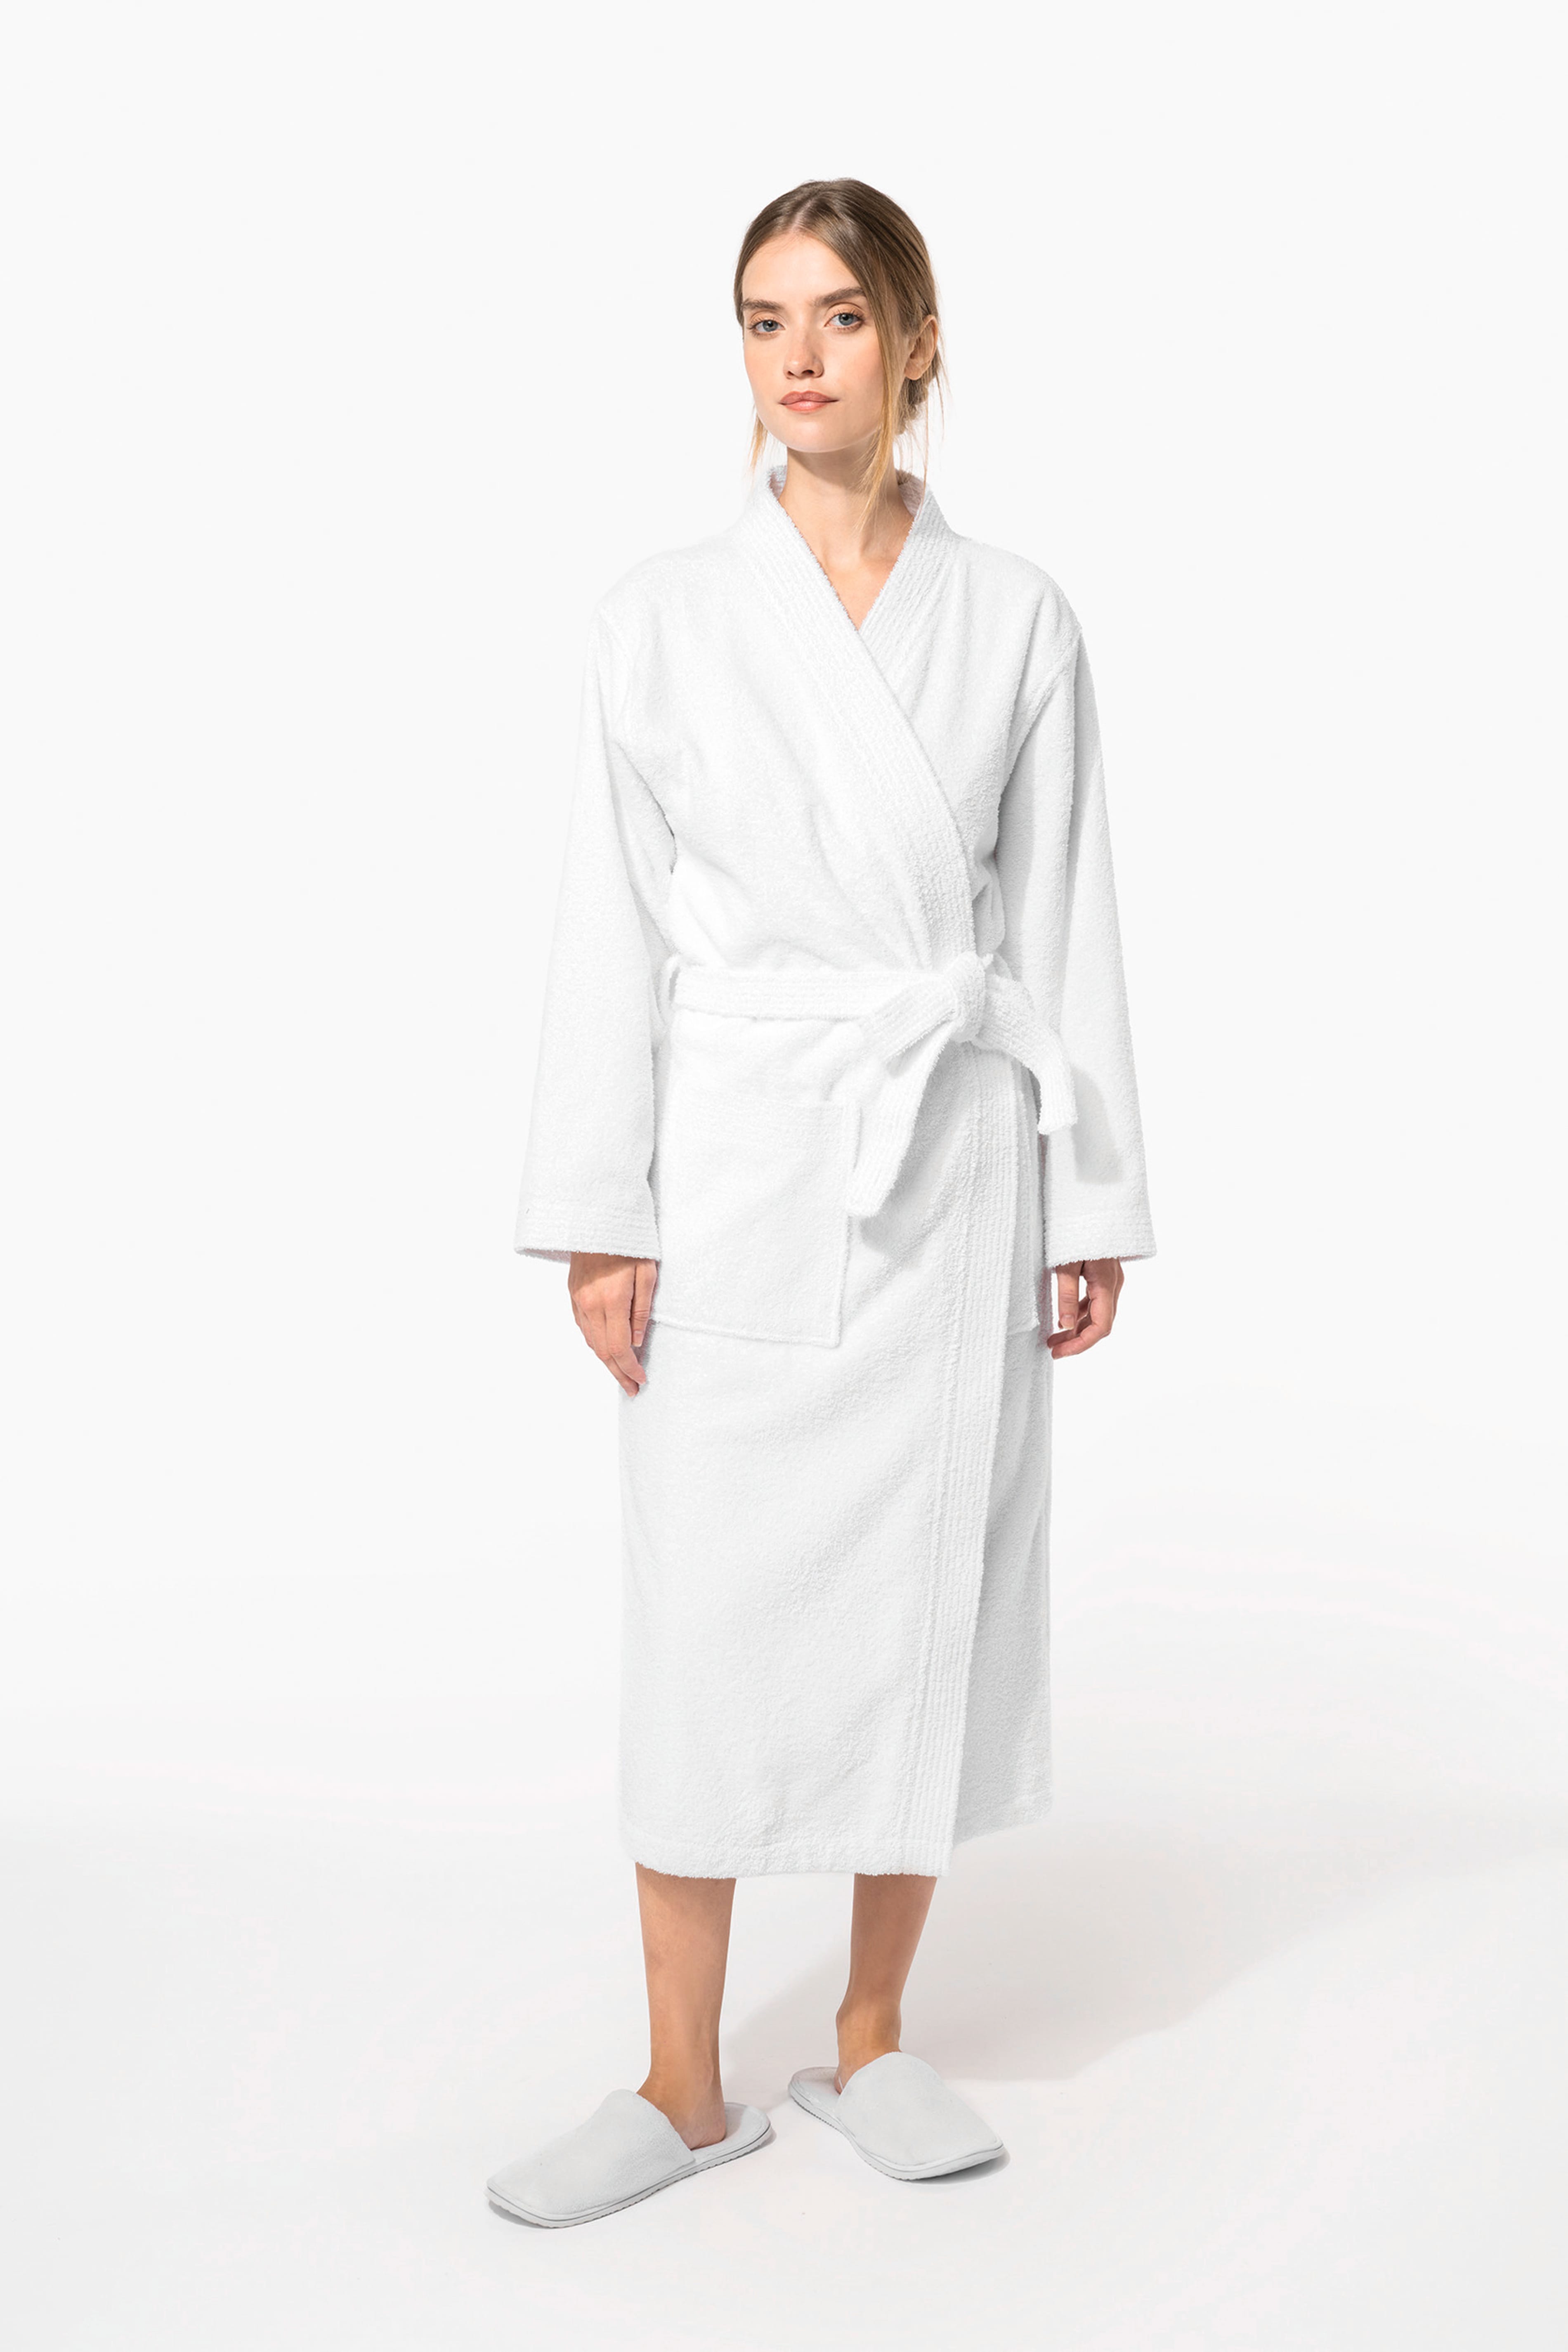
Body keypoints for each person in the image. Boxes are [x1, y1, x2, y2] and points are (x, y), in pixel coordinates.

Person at [488, 178, 1155, 2227]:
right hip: (738, 1162)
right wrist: (604, 1210)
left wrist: (1086, 1204)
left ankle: (868, 2039)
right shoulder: (658, 620)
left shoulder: (1014, 615)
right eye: (763, 317)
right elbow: (608, 928)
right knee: (702, 1625)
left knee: (916, 1598)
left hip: (945, 1167)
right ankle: (681, 2081)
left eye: (839, 316)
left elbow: (1061, 920)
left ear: (912, 344)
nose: (796, 355)